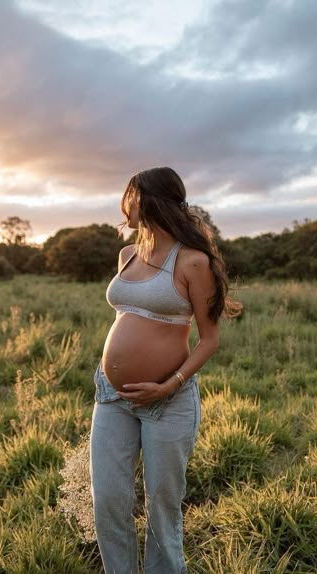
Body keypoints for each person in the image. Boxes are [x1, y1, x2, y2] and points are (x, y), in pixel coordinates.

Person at [89, 166, 242, 574]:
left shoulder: (193, 263)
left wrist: (168, 384)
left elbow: (209, 339)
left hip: (168, 400)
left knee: (162, 509)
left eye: (132, 196)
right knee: (107, 500)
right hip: (112, 396)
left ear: (151, 201)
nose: (126, 205)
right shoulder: (127, 255)